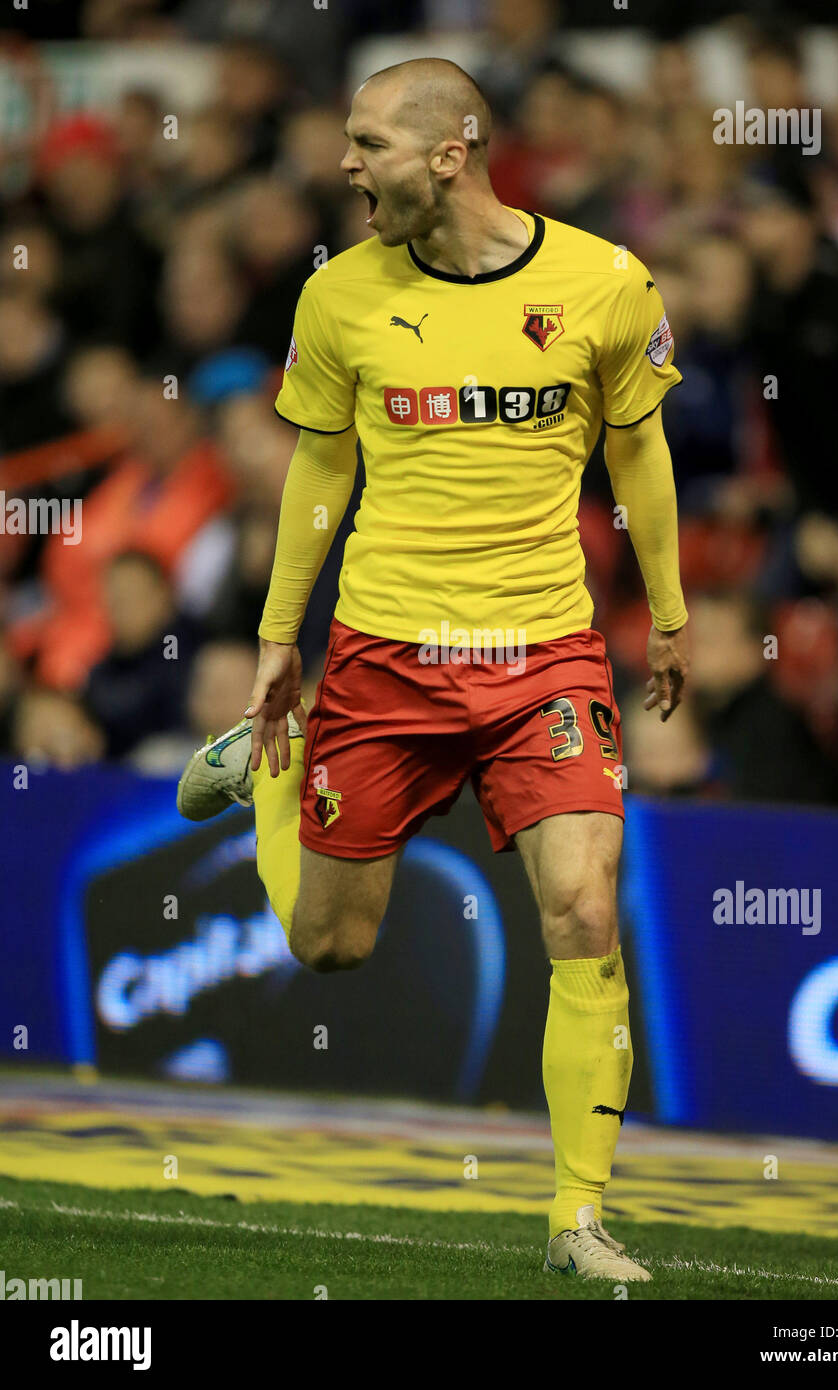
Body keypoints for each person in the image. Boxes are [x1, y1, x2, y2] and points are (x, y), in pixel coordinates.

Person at [177, 57, 689, 1282]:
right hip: (384, 660)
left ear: (450, 152)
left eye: (368, 143)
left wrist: (667, 612)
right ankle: (266, 782)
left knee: (581, 904)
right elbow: (318, 474)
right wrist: (274, 639)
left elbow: (641, 453)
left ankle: (577, 1217)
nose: (345, 165)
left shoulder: (607, 282)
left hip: (543, 659)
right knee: (330, 948)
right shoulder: (338, 296)